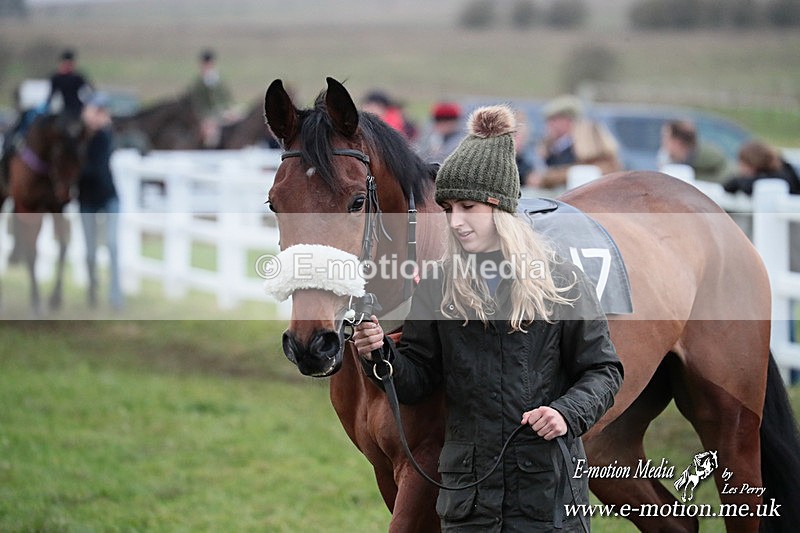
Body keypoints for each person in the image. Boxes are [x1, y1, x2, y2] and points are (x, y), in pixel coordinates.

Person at [352, 105, 623, 532]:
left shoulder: (563, 282)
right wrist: (379, 353)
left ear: (501, 210)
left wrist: (566, 413)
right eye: (449, 209)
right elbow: (418, 379)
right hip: (469, 503)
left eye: (468, 207)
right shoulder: (438, 284)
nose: (456, 222)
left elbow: (603, 370)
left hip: (547, 498)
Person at [79, 92, 124, 311]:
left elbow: (97, 166)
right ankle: (92, 291)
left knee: (113, 245)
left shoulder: (105, 136)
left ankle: (115, 296)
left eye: (103, 112)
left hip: (108, 197)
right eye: (96, 111)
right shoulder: (77, 137)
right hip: (86, 199)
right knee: (90, 251)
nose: (100, 116)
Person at [529, 95, 621, 190]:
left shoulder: (589, 140)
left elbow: (603, 169)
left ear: (567, 120)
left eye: (554, 120)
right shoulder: (550, 145)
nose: (549, 125)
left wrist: (549, 177)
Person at [186, 49, 235, 148]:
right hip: (207, 115)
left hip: (223, 111)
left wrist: (229, 110)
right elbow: (198, 103)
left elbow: (226, 97)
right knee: (211, 135)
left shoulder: (218, 80)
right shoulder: (199, 83)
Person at [659, 119, 729, 184]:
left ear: (677, 142)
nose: (663, 142)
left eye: (666, 138)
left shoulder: (704, 156)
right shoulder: (670, 158)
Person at [723, 140, 800, 196]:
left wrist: (739, 182)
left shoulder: (780, 177)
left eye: (743, 164)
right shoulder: (785, 171)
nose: (740, 168)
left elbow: (745, 186)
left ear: (752, 163)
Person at [46, 48, 94, 120]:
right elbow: (52, 93)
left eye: (70, 64)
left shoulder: (77, 77)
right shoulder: (56, 78)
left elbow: (89, 89)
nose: (68, 66)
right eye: (66, 64)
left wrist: (88, 101)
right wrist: (47, 104)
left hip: (78, 107)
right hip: (65, 107)